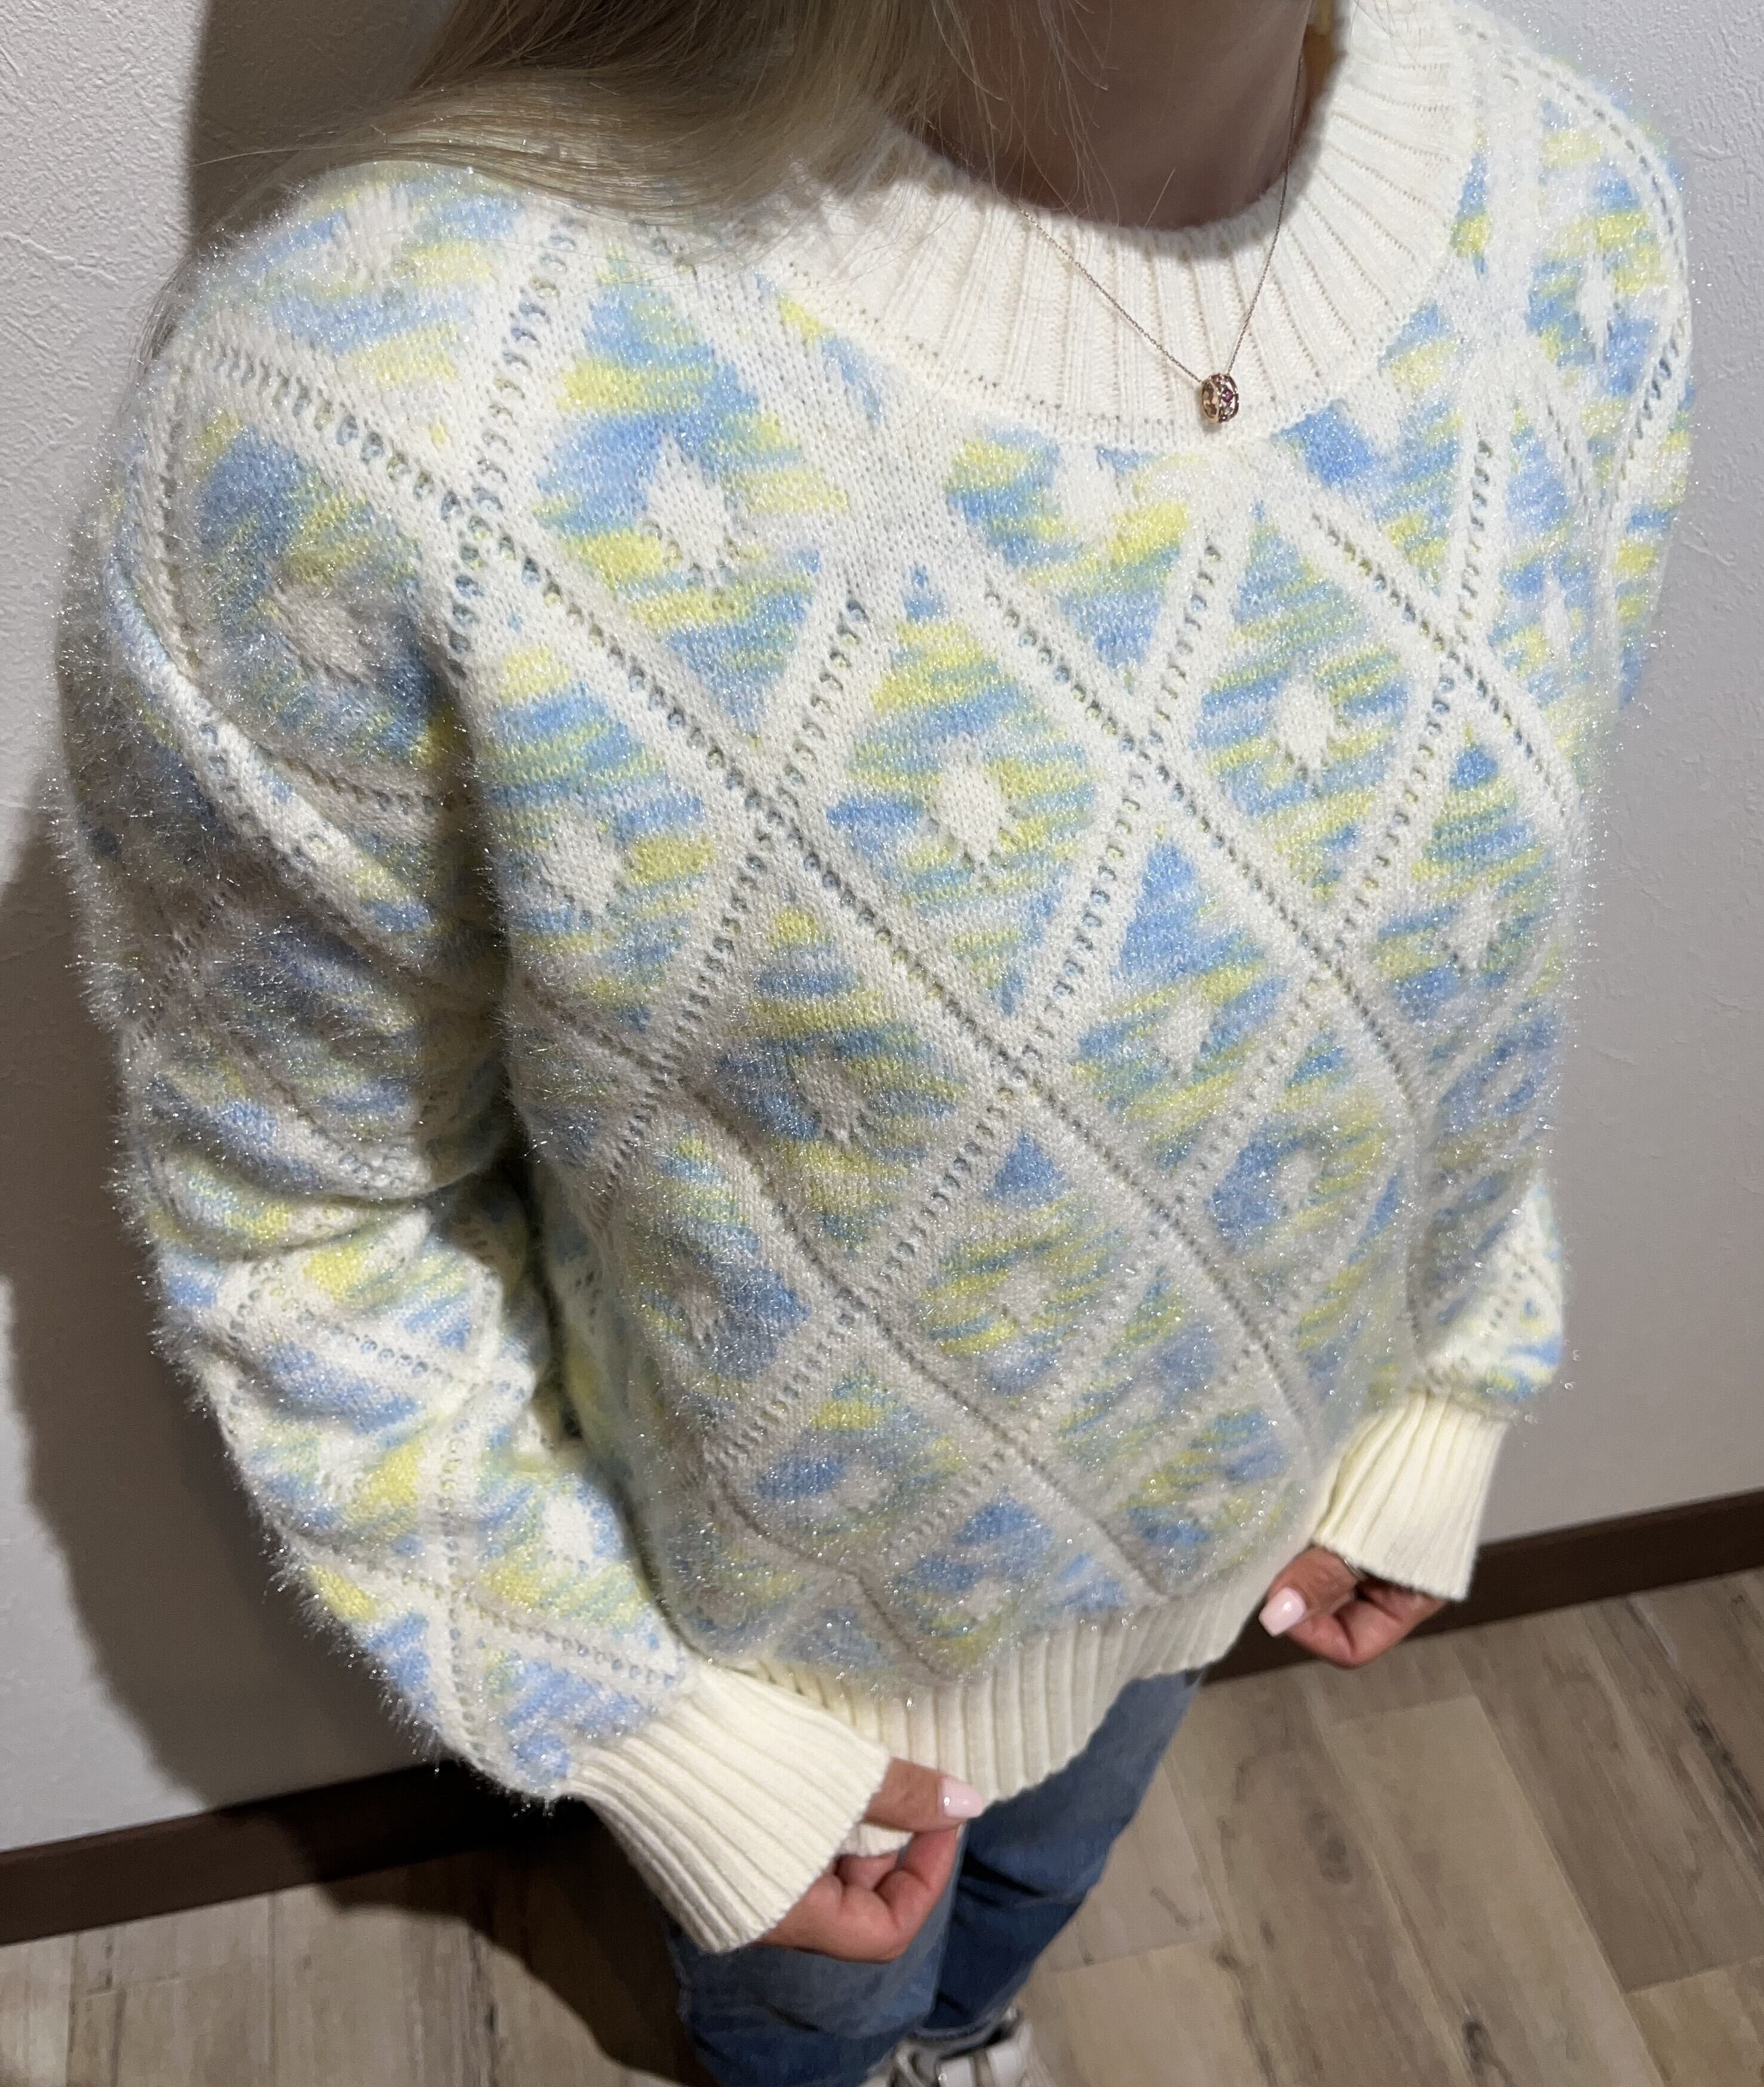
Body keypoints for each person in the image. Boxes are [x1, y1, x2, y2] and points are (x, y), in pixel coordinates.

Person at [55, 0, 1690, 2077]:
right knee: (808, 2029)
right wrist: (657, 1737)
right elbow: (305, 1222)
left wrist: (1434, 1387)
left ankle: (976, 2030)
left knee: (1029, 1903)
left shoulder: (1570, 210)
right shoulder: (380, 402)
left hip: (1234, 1553)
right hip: (779, 1689)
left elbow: (1446, 973)